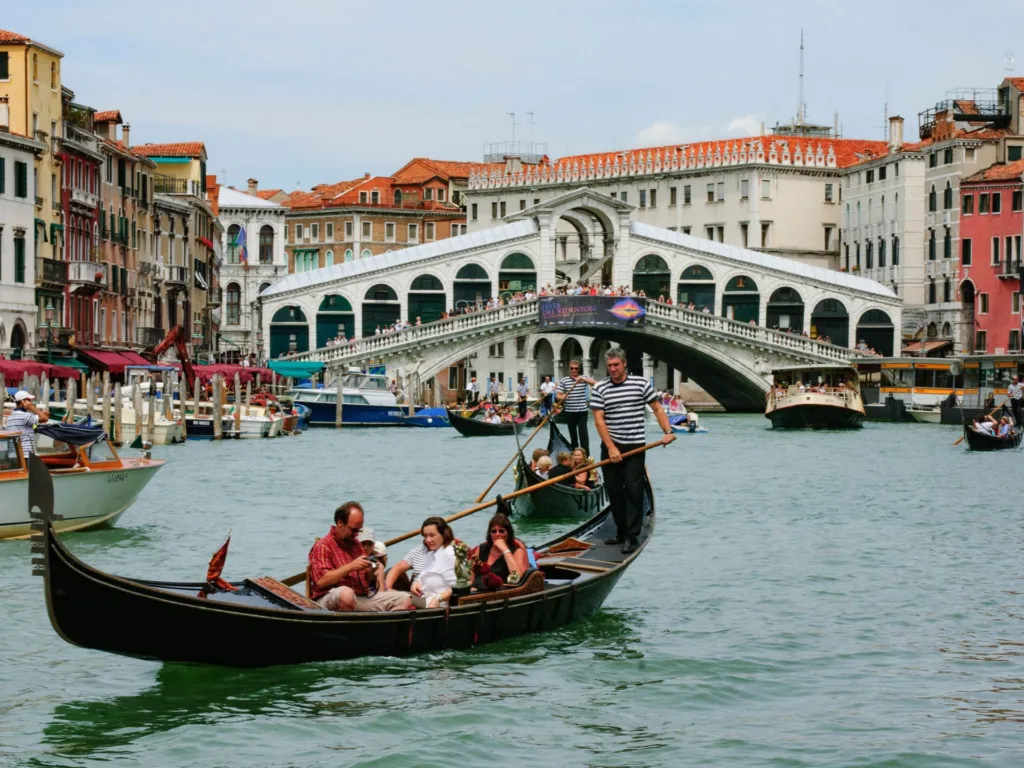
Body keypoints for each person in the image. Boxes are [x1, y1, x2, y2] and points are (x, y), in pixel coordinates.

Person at [591, 346, 674, 554]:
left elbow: (656, 407)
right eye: (609, 365)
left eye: (616, 365)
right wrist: (611, 448)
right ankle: (620, 531)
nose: (612, 369)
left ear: (624, 363)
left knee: (634, 492)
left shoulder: (640, 384)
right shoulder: (600, 388)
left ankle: (631, 536)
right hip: (611, 447)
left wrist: (668, 431)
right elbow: (599, 421)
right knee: (614, 492)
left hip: (635, 447)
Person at [308, 501, 413, 612]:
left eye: (359, 530)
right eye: (353, 530)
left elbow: (364, 581)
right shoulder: (323, 546)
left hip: (359, 597)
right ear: (340, 522)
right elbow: (321, 581)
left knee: (405, 599)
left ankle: (384, 624)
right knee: (346, 594)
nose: (356, 534)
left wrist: (369, 571)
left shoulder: (356, 544)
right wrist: (351, 567)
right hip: (328, 598)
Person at [392, 516, 457, 608]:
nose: (427, 540)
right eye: (425, 536)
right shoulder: (430, 555)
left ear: (444, 534)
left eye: (432, 535)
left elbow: (454, 588)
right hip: (423, 598)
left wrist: (438, 599)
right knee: (393, 598)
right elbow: (422, 577)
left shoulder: (450, 555)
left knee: (400, 600)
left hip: (436, 604)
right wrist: (416, 583)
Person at [470, 512, 530, 590]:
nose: (497, 534)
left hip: (499, 596)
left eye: (501, 531)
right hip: (474, 594)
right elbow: (471, 576)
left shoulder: (517, 551)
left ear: (508, 533)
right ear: (489, 533)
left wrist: (504, 549)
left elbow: (518, 576)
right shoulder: (481, 548)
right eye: (493, 531)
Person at [555, 360, 596, 453]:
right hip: (569, 412)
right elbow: (558, 395)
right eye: (572, 368)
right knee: (573, 436)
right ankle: (575, 456)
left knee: (583, 436)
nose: (574, 370)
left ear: (579, 369)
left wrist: (583, 379)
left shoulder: (584, 378)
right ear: (569, 369)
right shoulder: (564, 380)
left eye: (576, 368)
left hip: (582, 412)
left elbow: (595, 383)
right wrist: (563, 397)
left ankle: (586, 456)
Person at [6, 390, 49, 457]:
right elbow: (45, 418)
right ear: (23, 401)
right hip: (26, 454)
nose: (31, 402)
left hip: (14, 455)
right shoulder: (25, 416)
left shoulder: (10, 417)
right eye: (29, 400)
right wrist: (31, 407)